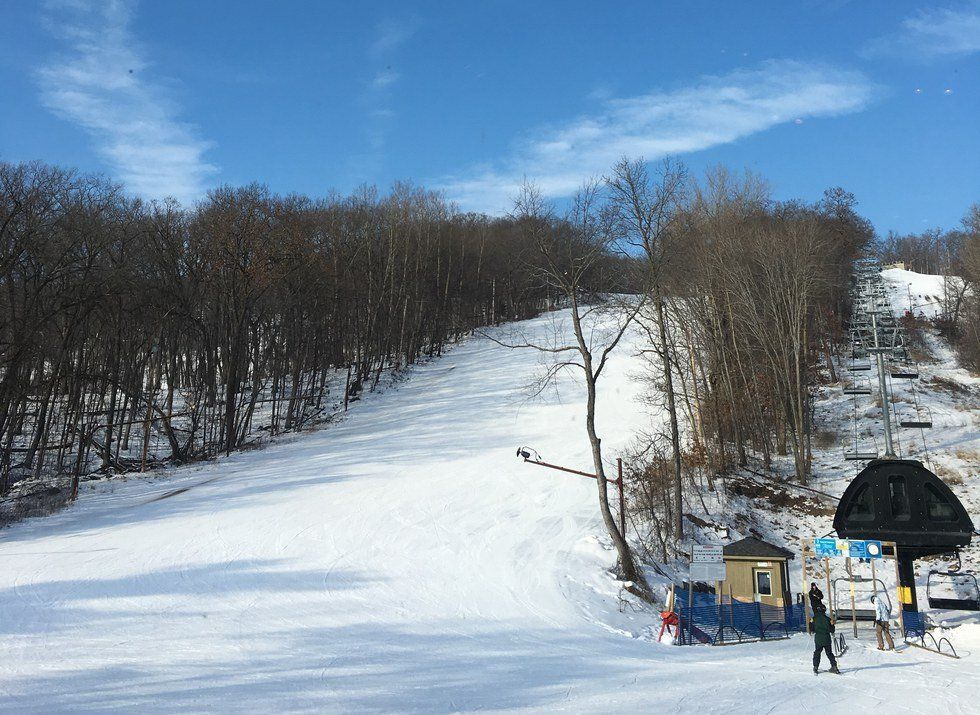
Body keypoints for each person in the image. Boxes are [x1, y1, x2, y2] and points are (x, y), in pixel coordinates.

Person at [812, 604, 840, 674]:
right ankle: (834, 666)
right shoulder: (828, 619)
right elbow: (832, 630)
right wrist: (832, 625)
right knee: (829, 653)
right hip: (827, 638)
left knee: (817, 653)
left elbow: (812, 629)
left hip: (818, 638)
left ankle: (815, 667)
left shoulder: (814, 618)